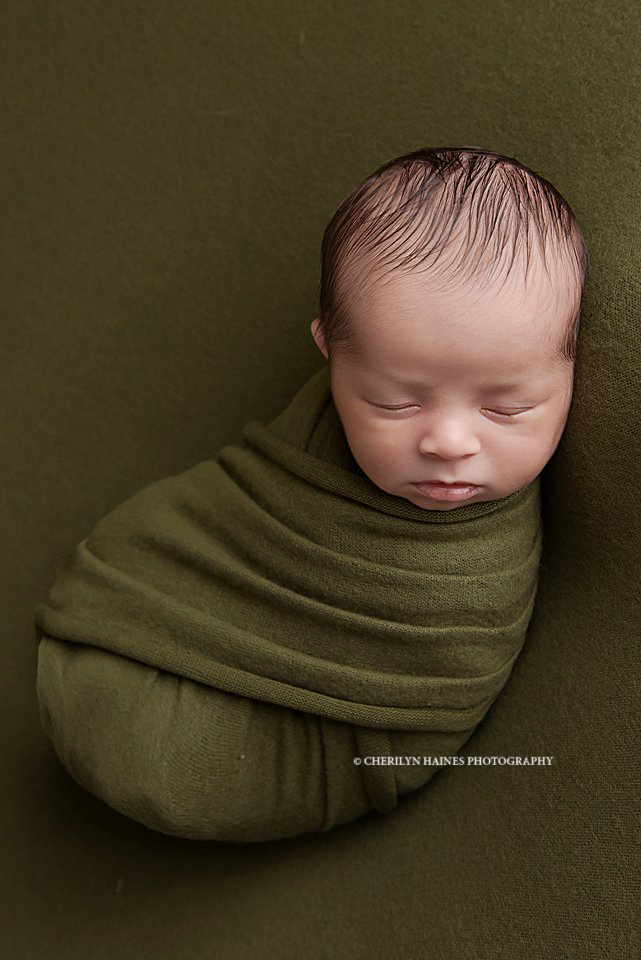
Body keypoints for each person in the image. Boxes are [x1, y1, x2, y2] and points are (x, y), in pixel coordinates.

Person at [35, 146, 589, 843]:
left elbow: (439, 679)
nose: (449, 442)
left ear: (571, 367)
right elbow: (236, 510)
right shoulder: (320, 426)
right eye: (392, 403)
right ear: (329, 353)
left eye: (506, 409)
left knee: (161, 758)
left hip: (335, 738)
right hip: (150, 614)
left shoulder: (473, 570)